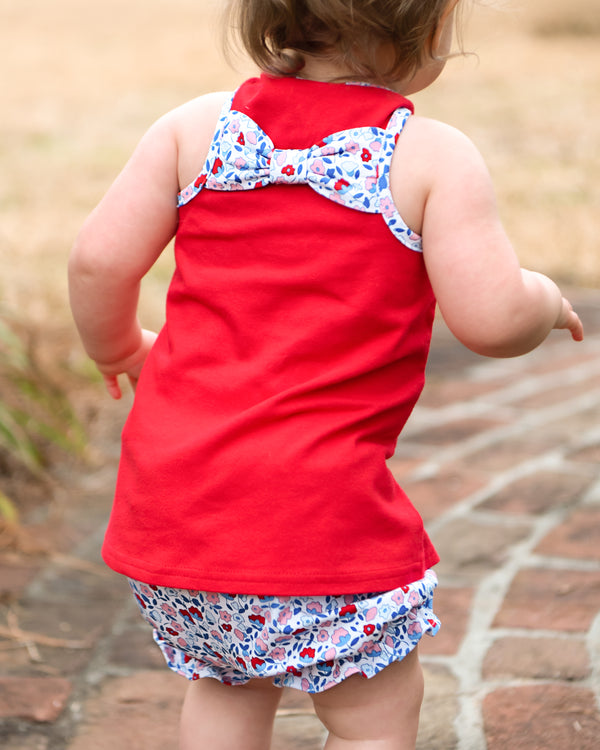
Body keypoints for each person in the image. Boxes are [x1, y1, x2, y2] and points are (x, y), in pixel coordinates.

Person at [68, 1, 584, 748]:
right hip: (318, 518)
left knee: (226, 683)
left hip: (179, 512)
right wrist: (541, 295)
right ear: (432, 30)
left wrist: (117, 348)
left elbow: (97, 260)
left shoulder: (195, 129)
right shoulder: (430, 156)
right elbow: (493, 320)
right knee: (372, 714)